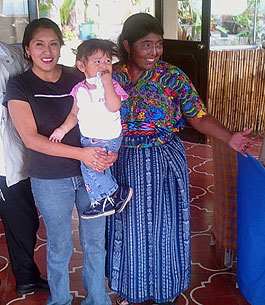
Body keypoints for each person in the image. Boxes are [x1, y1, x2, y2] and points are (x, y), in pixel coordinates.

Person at [106, 13, 257, 305]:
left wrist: (230, 137)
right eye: (146, 45)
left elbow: (198, 116)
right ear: (127, 45)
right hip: (123, 161)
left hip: (164, 160)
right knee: (128, 227)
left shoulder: (172, 77)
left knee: (166, 225)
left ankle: (166, 288)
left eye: (158, 44)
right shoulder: (110, 76)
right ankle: (131, 290)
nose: (154, 52)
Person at [4, 18, 117, 305]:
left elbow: (108, 114)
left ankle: (98, 300)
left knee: (95, 242)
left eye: (54, 43)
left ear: (61, 47)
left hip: (93, 173)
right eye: (39, 44)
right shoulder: (20, 86)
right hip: (51, 178)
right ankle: (60, 300)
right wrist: (82, 154)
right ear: (27, 49)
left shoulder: (78, 78)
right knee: (59, 245)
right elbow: (31, 139)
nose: (47, 50)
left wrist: (110, 150)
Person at [49, 38, 133, 220]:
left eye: (108, 61)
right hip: (89, 138)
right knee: (93, 168)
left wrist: (108, 83)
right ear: (81, 66)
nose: (104, 65)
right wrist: (62, 130)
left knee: (91, 166)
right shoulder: (79, 90)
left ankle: (110, 196)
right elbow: (73, 115)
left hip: (107, 137)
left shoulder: (112, 86)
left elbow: (114, 106)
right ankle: (109, 197)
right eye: (97, 62)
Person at [0, 41, 49, 295]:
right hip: (3, 162)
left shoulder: (10, 51)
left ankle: (26, 276)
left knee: (27, 220)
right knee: (21, 221)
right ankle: (25, 277)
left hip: (19, 154)